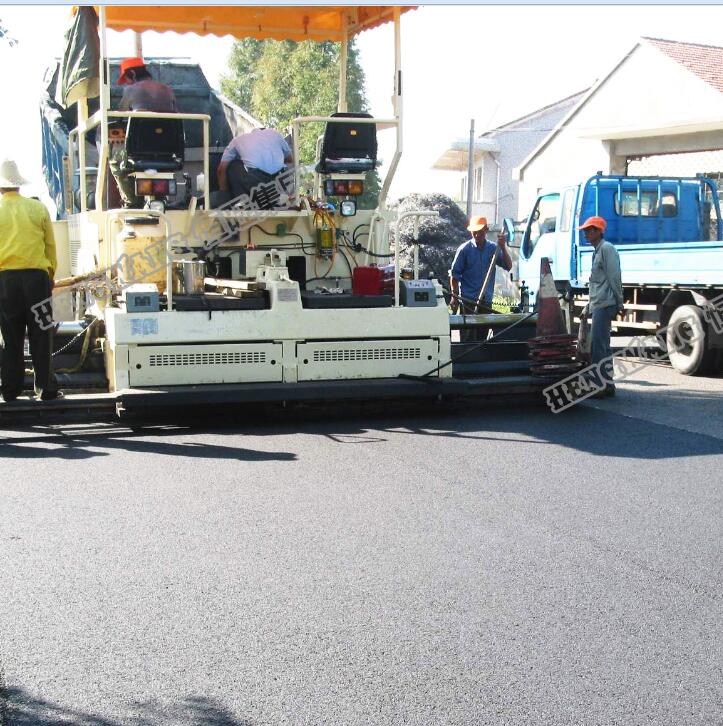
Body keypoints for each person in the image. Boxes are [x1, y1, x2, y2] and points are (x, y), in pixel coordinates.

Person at [0, 159, 61, 402]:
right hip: (37, 279)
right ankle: (46, 388)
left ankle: (10, 390)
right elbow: (50, 247)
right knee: (41, 333)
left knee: (10, 336)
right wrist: (50, 275)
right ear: (18, 184)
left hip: (6, 279)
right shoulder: (38, 208)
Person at [110, 57, 179, 208]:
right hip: (167, 152)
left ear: (133, 74)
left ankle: (131, 201)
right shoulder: (168, 90)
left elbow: (119, 117)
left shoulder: (130, 90)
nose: (127, 83)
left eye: (127, 79)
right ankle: (161, 198)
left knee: (115, 159)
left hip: (139, 152)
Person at [579, 215, 623, 398]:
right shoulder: (597, 251)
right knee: (602, 346)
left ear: (599, 231)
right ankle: (607, 384)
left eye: (589, 230)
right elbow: (597, 283)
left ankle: (600, 386)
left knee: (599, 346)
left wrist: (619, 301)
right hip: (598, 303)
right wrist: (588, 305)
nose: (586, 234)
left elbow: (614, 277)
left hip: (605, 304)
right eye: (585, 231)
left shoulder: (606, 249)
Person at [450, 216, 512, 340]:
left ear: (486, 230)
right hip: (468, 302)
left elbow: (508, 266)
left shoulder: (493, 248)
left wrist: (503, 247)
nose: (477, 235)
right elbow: (454, 276)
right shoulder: (464, 250)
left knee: (482, 338)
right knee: (467, 338)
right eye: (474, 232)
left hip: (485, 301)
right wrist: (454, 298)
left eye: (480, 231)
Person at [216, 128, 293, 209]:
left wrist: (224, 195)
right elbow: (290, 159)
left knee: (234, 165)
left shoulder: (237, 140)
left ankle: (242, 201)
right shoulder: (274, 133)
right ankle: (277, 199)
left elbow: (221, 170)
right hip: (281, 181)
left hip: (257, 183)